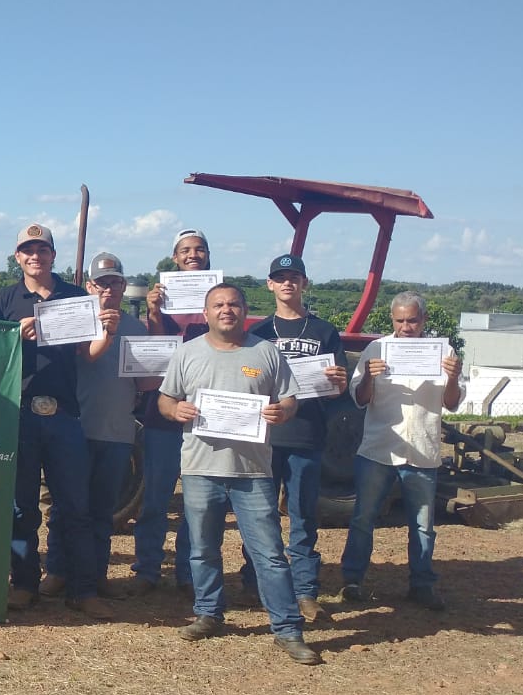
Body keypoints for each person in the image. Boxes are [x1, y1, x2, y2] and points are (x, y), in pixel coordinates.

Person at [156, 284, 320, 665]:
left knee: (269, 554)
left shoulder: (265, 352)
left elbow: (289, 399)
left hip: (253, 472)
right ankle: (208, 614)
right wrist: (175, 411)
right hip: (200, 468)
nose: (226, 310)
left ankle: (288, 629)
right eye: (218, 305)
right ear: (206, 311)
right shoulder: (188, 353)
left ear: (245, 310)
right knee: (202, 550)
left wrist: (283, 412)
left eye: (233, 304)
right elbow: (165, 399)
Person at [0, 224, 114, 621]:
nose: (35, 256)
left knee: (74, 506)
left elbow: (88, 354)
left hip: (63, 414)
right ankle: (23, 585)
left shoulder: (75, 297)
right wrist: (13, 337)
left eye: (42, 249)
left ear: (53, 255)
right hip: (19, 414)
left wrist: (106, 333)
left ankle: (83, 589)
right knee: (22, 508)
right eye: (28, 250)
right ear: (18, 256)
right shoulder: (4, 299)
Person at [339, 291, 463, 611]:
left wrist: (453, 376)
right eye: (400, 320)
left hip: (422, 449)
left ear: (423, 320)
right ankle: (352, 581)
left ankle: (422, 585)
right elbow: (361, 399)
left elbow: (451, 403)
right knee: (363, 518)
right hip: (379, 449)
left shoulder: (443, 352)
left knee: (422, 525)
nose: (406, 326)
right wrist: (368, 374)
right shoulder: (376, 348)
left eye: (412, 320)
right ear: (392, 319)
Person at [43, 252, 154, 597]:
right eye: (101, 283)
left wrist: (163, 367)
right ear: (89, 286)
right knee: (65, 507)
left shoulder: (137, 329)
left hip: (118, 431)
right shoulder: (73, 321)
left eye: (115, 282)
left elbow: (146, 385)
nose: (108, 289)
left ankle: (96, 575)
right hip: (75, 429)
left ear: (123, 286)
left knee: (104, 512)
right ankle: (58, 571)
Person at [245, 254, 348, 621]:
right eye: (280, 277)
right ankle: (254, 583)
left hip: (306, 435)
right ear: (269, 284)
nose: (287, 283)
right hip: (264, 436)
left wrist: (339, 384)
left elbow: (338, 392)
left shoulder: (324, 332)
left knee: (303, 517)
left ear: (304, 283)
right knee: (260, 515)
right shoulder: (256, 333)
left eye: (294, 277)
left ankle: (305, 592)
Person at [131, 228, 213, 595]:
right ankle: (147, 569)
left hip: (205, 413)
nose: (192, 255)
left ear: (207, 256)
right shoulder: (162, 298)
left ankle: (187, 571)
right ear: (175, 258)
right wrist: (153, 311)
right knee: (156, 498)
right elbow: (155, 349)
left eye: (198, 249)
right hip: (162, 412)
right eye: (185, 250)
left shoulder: (217, 300)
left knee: (196, 501)